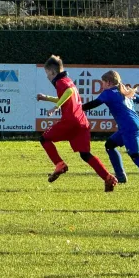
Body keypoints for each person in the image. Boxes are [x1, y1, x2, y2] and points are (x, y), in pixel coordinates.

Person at [37, 55, 118, 192]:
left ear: (52, 72)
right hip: (81, 122)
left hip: (70, 121)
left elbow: (67, 92)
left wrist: (57, 107)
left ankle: (59, 164)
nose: (47, 77)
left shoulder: (60, 82)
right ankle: (108, 178)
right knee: (85, 154)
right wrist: (46, 98)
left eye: (47, 74)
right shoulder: (67, 80)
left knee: (44, 139)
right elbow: (66, 95)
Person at [82, 70, 139, 192]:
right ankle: (120, 176)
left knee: (136, 156)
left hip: (128, 128)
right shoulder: (123, 91)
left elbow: (94, 104)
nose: (102, 85)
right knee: (110, 145)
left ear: (109, 82)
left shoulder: (108, 93)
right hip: (132, 126)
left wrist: (78, 108)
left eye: (103, 82)